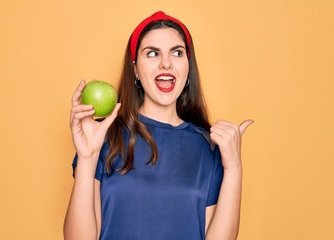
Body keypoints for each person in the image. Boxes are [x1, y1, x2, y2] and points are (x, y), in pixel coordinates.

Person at [64, 11, 253, 240]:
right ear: (135, 70)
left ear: (187, 68)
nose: (166, 63)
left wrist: (234, 169)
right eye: (152, 53)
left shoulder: (209, 149)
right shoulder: (104, 137)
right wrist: (87, 158)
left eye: (177, 53)